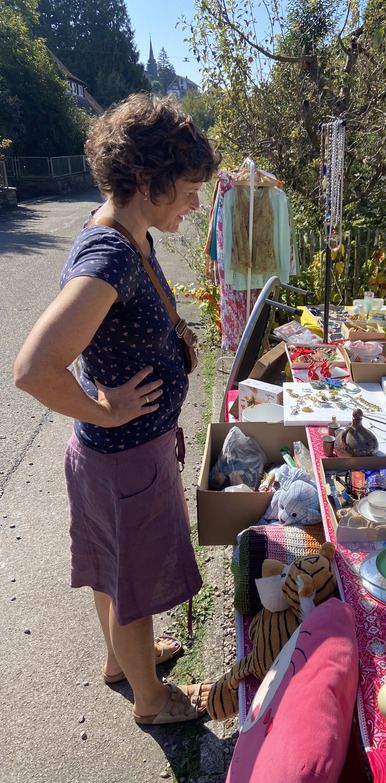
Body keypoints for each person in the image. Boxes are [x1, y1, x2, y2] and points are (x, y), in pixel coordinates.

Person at [14, 93, 220, 725]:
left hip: (119, 459)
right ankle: (152, 701)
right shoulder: (108, 256)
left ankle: (120, 662)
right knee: (131, 585)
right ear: (142, 180)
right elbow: (32, 369)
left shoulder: (127, 234)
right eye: (186, 189)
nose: (194, 202)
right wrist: (105, 411)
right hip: (123, 457)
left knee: (114, 570)